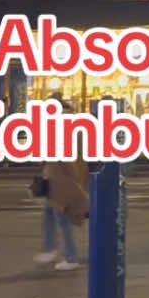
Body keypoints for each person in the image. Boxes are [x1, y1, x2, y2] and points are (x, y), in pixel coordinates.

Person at [35, 113, 88, 272]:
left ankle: (70, 257)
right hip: (56, 183)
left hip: (60, 185)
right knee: (50, 214)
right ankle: (50, 248)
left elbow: (69, 164)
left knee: (62, 219)